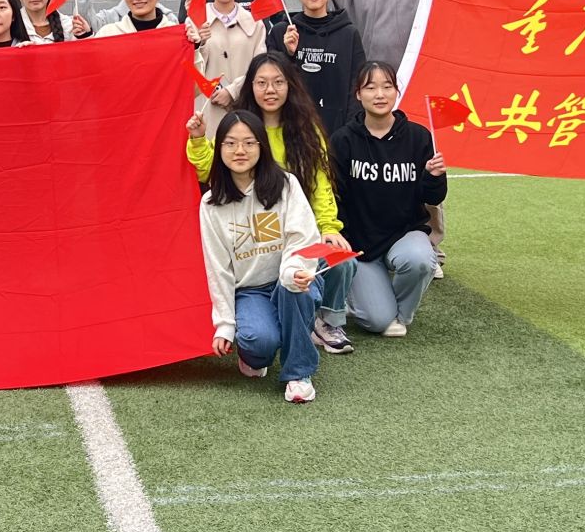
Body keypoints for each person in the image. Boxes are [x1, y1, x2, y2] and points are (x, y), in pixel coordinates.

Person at [187, 51, 356, 355]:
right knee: (262, 336)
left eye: (278, 82)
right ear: (250, 86)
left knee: (342, 260)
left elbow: (320, 183)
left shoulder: (306, 129)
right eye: (261, 82)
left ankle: (326, 321)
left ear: (290, 85)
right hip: (259, 239)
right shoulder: (240, 127)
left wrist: (328, 227)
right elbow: (210, 170)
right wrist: (199, 140)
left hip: (298, 232)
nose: (270, 90)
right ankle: (266, 324)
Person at [200, 109, 324, 405]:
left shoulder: (286, 184)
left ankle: (299, 373)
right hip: (250, 289)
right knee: (259, 343)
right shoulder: (211, 203)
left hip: (291, 276)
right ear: (219, 149)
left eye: (249, 143)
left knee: (292, 287)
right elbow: (218, 267)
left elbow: (303, 237)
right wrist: (225, 324)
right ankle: (262, 346)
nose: (239, 151)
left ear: (261, 146)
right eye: (230, 143)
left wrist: (292, 270)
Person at [333, 62, 447, 336]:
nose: (380, 94)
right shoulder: (343, 140)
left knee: (420, 260)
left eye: (387, 86)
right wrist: (344, 241)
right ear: (358, 94)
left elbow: (433, 196)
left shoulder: (419, 137)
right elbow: (335, 197)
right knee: (377, 321)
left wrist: (434, 176)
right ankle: (374, 307)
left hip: (404, 234)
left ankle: (400, 315)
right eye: (371, 87)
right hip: (361, 244)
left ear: (397, 91)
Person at [283, 0, 364, 139]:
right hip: (294, 130)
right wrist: (289, 55)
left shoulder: (348, 33)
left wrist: (349, 130)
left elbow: (358, 83)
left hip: (339, 131)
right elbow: (275, 81)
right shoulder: (285, 32)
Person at [185, 0, 266, 123]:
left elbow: (260, 68)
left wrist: (233, 91)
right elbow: (188, 71)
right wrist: (200, 44)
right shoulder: (194, 20)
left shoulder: (254, 23)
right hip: (205, 111)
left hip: (245, 107)